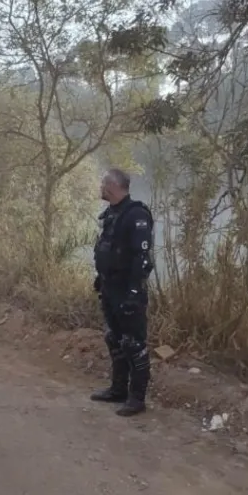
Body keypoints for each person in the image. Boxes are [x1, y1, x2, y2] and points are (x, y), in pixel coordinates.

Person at [90, 168, 155, 417]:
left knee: (133, 344)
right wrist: (101, 278)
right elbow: (108, 249)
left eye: (103, 183)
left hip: (128, 290)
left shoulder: (136, 214)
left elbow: (142, 259)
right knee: (114, 339)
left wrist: (134, 292)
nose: (100, 187)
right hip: (110, 286)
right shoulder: (111, 214)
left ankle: (137, 398)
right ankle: (117, 389)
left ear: (114, 185)